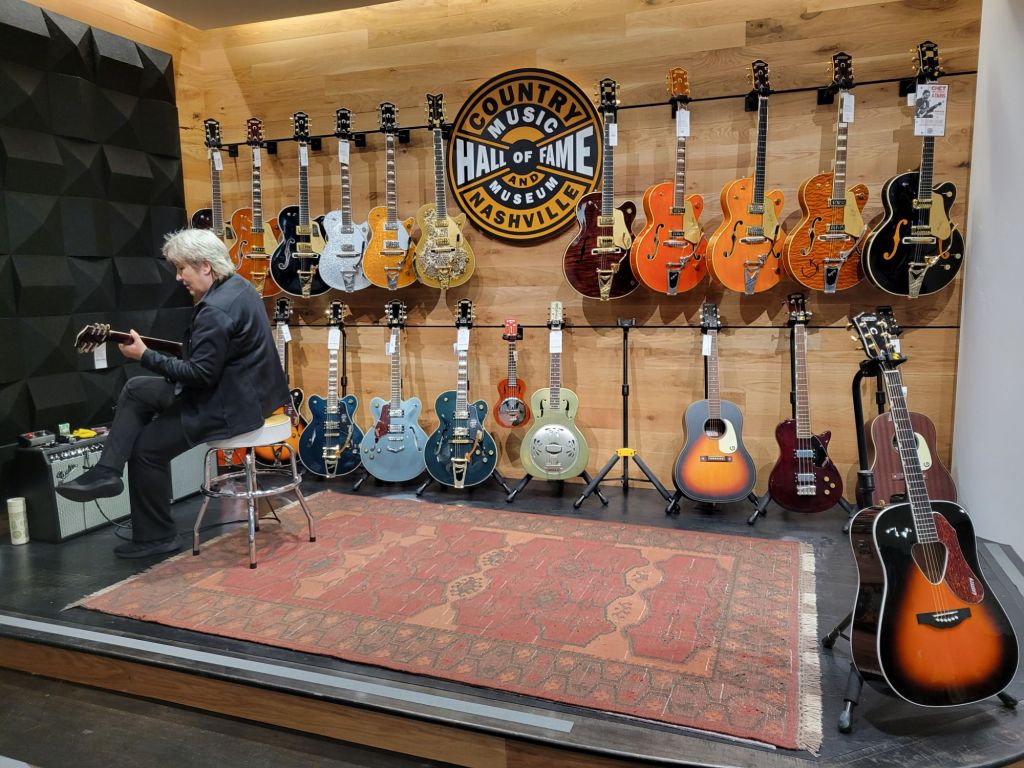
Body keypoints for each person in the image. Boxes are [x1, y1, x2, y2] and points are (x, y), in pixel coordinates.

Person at [57, 228, 291, 558]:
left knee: (146, 450)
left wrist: (145, 356)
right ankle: (107, 472)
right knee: (136, 388)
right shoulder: (240, 287)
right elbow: (214, 357)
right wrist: (155, 355)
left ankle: (156, 538)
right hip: (248, 394)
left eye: (182, 268)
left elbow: (200, 376)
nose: (179, 277)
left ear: (205, 266)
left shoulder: (215, 310)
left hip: (228, 406)